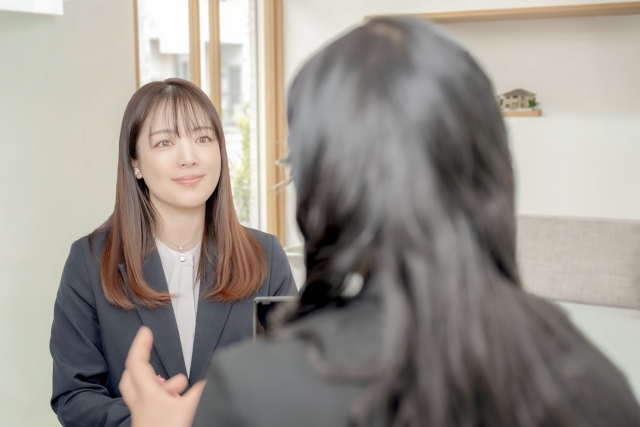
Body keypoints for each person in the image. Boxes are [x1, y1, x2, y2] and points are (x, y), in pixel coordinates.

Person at [119, 17, 640, 427]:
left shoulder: (254, 393)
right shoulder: (593, 378)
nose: (188, 156)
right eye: (165, 142)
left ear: (326, 183)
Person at [50, 78, 298, 427]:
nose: (189, 158)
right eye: (165, 142)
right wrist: (150, 421)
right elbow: (74, 396)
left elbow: (292, 386)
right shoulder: (90, 261)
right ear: (135, 163)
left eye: (203, 138)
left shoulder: (266, 256)